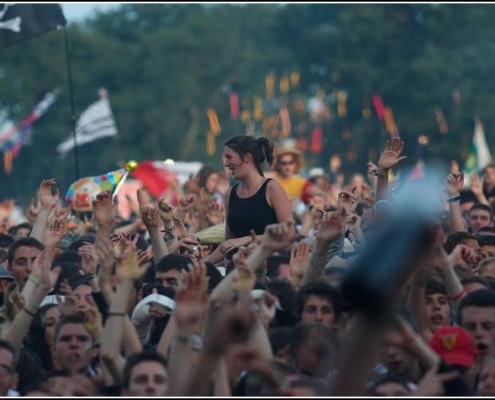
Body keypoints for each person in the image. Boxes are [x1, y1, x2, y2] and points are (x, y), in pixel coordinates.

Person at [206, 135, 293, 262]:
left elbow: (289, 235)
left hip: (269, 265)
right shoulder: (230, 193)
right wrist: (202, 265)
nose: (226, 163)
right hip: (237, 267)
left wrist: (249, 239)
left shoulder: (272, 188)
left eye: (229, 157)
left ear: (247, 157)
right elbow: (228, 243)